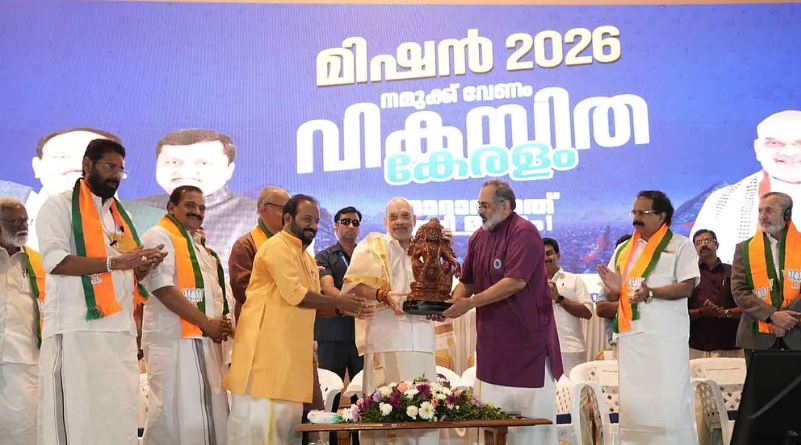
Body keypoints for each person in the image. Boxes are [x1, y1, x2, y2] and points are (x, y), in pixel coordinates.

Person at [36, 139, 167, 444]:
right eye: (109, 166)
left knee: (116, 417)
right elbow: (56, 262)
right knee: (76, 419)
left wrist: (142, 265)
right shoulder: (58, 206)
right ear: (87, 165)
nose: (115, 175)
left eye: (120, 170)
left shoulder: (119, 217)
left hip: (119, 332)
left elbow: (124, 273)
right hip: (75, 330)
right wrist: (117, 262)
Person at [224, 194, 372, 445]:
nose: (312, 226)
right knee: (262, 434)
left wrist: (346, 310)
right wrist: (339, 302)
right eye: (306, 219)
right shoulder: (276, 247)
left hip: (290, 362)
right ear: (287, 219)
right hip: (266, 361)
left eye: (316, 221)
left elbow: (314, 305)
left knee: (287, 433)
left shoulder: (305, 257)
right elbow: (297, 295)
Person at [443, 180, 562, 445]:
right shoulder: (478, 237)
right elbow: (467, 281)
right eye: (479, 205)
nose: (480, 211)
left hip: (527, 349)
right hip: (492, 348)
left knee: (531, 433)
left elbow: (515, 282)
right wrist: (451, 304)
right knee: (491, 425)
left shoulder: (524, 232)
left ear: (505, 206)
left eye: (485, 205)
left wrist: (469, 304)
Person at [597, 190, 699, 445]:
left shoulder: (681, 245)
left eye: (643, 213)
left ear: (662, 216)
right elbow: (612, 293)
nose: (636, 218)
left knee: (669, 401)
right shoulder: (623, 249)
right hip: (631, 338)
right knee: (636, 403)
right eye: (634, 212)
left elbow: (687, 287)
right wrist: (613, 289)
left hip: (666, 338)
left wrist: (650, 292)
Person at [139, 185, 234, 444]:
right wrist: (206, 323)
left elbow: (214, 295)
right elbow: (162, 288)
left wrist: (222, 325)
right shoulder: (158, 236)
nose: (198, 212)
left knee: (206, 415)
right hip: (172, 341)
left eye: (202, 208)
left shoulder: (200, 247)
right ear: (172, 207)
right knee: (170, 417)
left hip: (203, 341)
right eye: (190, 205)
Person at [341, 197, 438, 445]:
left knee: (425, 412)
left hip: (422, 342)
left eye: (405, 216)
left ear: (414, 220)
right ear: (386, 221)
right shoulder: (372, 246)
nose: (400, 222)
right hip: (386, 341)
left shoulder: (428, 251)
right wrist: (383, 294)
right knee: (385, 413)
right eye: (394, 217)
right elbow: (352, 288)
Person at [692, 110, 801, 263]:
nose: (790, 152)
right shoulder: (722, 201)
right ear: (758, 149)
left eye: (799, 142)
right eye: (774, 143)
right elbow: (700, 265)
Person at [137, 129, 257, 266]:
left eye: (203, 163)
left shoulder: (255, 216)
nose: (186, 172)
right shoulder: (136, 209)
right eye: (173, 162)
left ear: (229, 170)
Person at [0, 128, 121, 249]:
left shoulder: (130, 219)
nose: (78, 165)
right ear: (37, 167)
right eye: (62, 156)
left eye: (96, 159)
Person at [731, 192, 801, 365]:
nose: (762, 216)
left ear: (787, 214)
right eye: (760, 211)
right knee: (761, 384)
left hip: (797, 334)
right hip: (757, 337)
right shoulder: (744, 249)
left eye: (769, 210)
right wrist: (772, 316)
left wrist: (788, 320)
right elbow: (739, 290)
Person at [0, 197, 44, 444]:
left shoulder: (39, 263)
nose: (23, 226)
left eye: (25, 221)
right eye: (15, 221)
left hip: (24, 361)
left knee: (23, 431)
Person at [315, 207, 363, 409]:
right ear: (336, 225)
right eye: (345, 221)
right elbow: (327, 288)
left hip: (361, 336)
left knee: (362, 396)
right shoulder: (324, 256)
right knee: (330, 396)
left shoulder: (366, 255)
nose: (350, 226)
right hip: (331, 335)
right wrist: (345, 302)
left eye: (355, 222)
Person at [228, 186, 290, 321]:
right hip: (257, 323)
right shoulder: (245, 245)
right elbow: (243, 290)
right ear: (264, 209)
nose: (288, 216)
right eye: (283, 209)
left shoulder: (292, 244)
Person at [688, 229, 742, 359]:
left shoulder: (732, 271)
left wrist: (725, 313)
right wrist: (701, 312)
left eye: (707, 240)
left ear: (716, 244)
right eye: (698, 242)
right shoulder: (689, 274)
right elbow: (679, 311)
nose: (703, 245)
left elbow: (747, 306)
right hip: (696, 345)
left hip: (729, 344)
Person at [543, 237, 592, 375]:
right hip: (539, 351)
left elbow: (588, 312)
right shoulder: (530, 283)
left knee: (572, 388)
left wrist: (559, 299)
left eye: (549, 253)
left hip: (570, 350)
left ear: (558, 255)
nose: (545, 258)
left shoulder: (574, 280)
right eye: (541, 254)